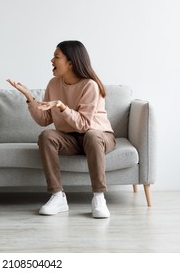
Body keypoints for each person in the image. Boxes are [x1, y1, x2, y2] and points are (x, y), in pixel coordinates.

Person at [7, 40, 116, 219]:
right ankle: (58, 196)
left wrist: (62, 107)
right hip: (72, 139)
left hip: (99, 136)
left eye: (56, 57)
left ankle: (99, 197)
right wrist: (29, 97)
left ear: (71, 63)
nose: (52, 61)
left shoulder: (90, 85)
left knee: (91, 135)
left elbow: (84, 125)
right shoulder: (53, 84)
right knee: (47, 136)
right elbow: (44, 120)